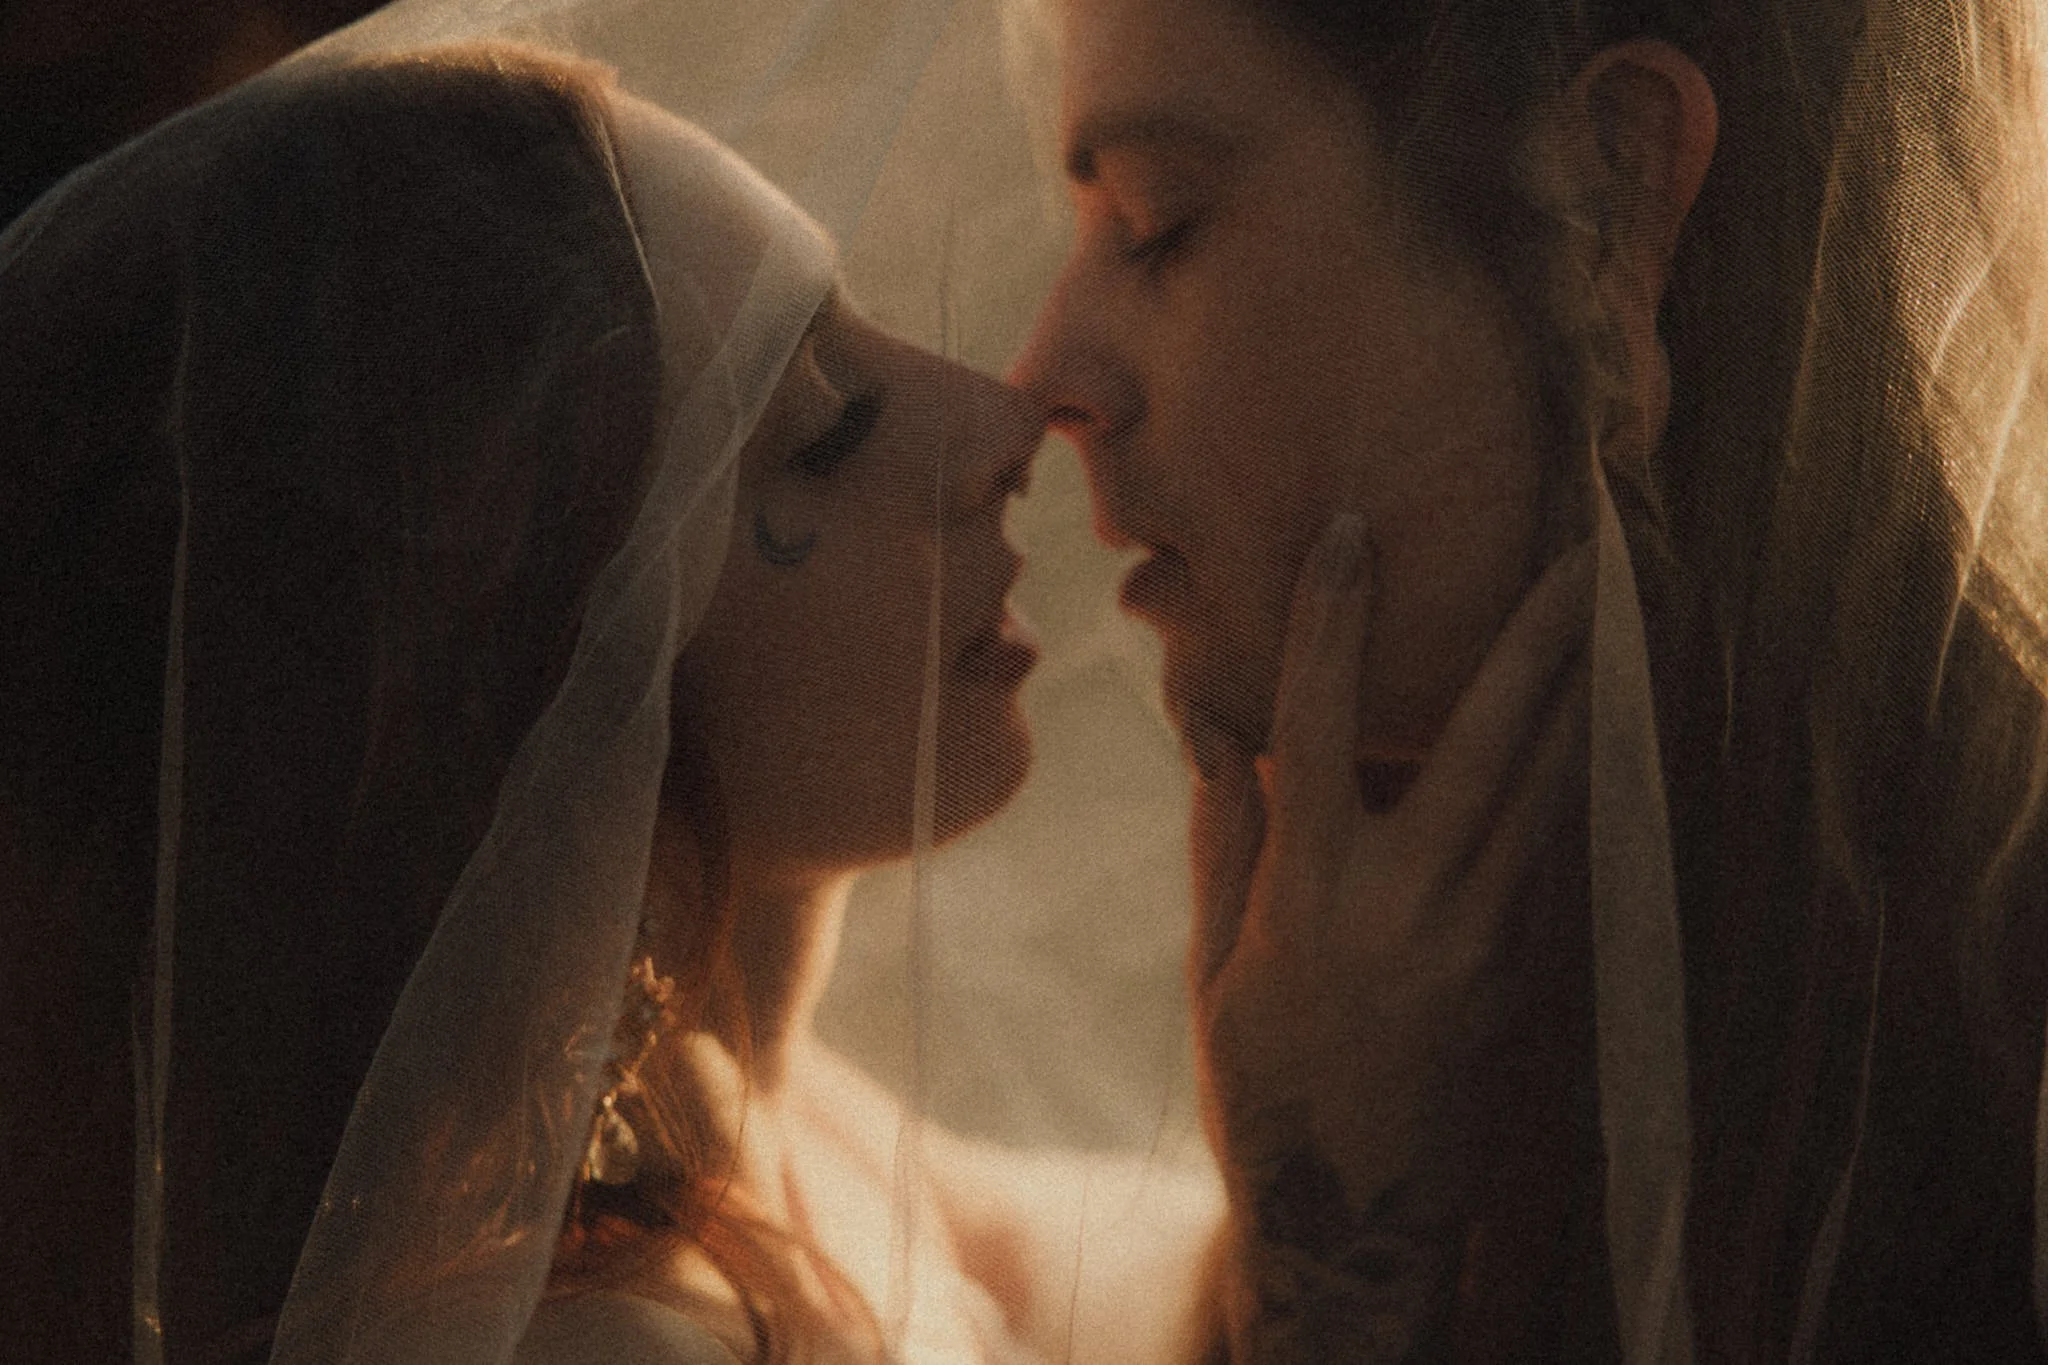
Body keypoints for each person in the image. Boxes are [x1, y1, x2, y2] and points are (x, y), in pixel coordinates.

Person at [0, 40, 1220, 1365]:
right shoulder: (596, 1341)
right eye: (823, 432)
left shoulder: (758, 1119)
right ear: (535, 683)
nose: (1003, 425)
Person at [1013, 0, 2048, 1358]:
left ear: (1607, 204)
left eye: (1158, 223)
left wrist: (1330, 1277)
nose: (1044, 377)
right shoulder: (1386, 997)